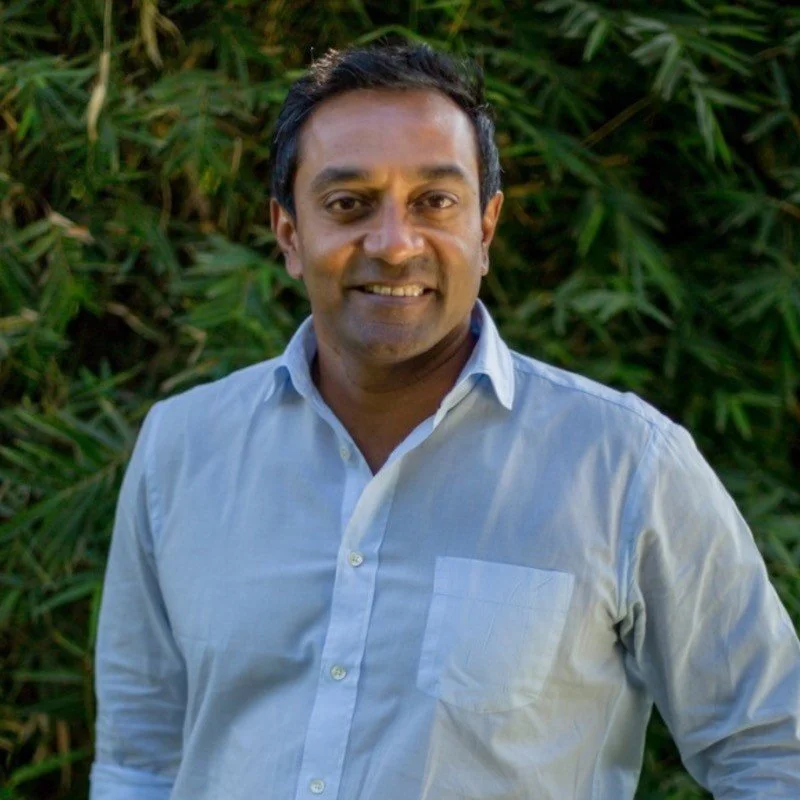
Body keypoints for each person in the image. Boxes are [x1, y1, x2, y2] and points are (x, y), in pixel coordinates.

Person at [90, 43, 800, 800]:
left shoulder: (627, 466)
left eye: (435, 202)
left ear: (486, 228)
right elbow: (141, 759)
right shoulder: (182, 448)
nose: (394, 244)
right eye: (348, 204)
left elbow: (771, 750)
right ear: (289, 233)